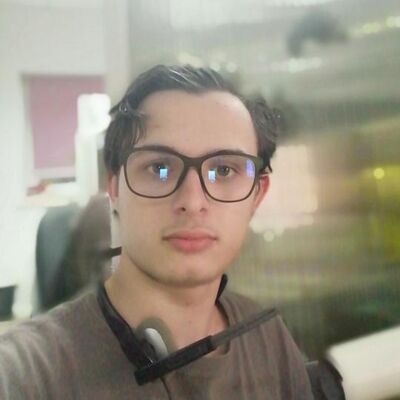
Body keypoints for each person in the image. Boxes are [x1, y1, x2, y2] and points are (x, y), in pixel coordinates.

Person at [0, 65, 314, 399]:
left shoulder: (268, 339)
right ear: (114, 189)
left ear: (256, 196)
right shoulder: (25, 373)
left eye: (224, 170)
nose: (192, 202)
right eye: (159, 168)